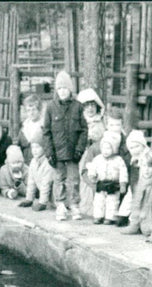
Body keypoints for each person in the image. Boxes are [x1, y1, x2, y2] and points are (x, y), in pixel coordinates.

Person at [42, 71, 87, 221]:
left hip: (73, 151)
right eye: (59, 88)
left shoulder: (78, 107)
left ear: (70, 90)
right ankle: (60, 204)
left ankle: (74, 205)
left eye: (65, 88)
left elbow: (83, 130)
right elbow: (46, 132)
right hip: (57, 152)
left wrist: (79, 149)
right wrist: (49, 153)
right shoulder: (50, 107)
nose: (62, 91)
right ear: (56, 90)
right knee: (59, 179)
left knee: (74, 180)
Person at [120, 149, 152, 240]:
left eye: (150, 166)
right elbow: (136, 203)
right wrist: (135, 220)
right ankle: (135, 225)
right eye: (144, 166)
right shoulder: (142, 180)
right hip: (142, 222)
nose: (146, 169)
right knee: (136, 201)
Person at [86, 132, 129, 225]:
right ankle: (98, 216)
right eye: (103, 148)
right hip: (101, 183)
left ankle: (110, 217)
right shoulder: (98, 159)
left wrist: (123, 184)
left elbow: (123, 172)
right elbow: (92, 167)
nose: (105, 151)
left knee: (112, 202)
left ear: (113, 149)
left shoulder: (118, 160)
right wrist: (92, 175)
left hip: (113, 185)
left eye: (108, 148)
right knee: (98, 201)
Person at [20, 140, 56, 211]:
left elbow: (46, 183)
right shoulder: (33, 161)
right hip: (46, 196)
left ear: (44, 147)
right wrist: (29, 199)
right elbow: (31, 181)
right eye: (32, 147)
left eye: (37, 147)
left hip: (54, 196)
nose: (34, 150)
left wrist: (42, 202)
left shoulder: (49, 162)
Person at [18, 92, 45, 163]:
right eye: (28, 110)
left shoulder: (44, 126)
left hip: (41, 162)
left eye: (33, 109)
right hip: (26, 162)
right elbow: (19, 146)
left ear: (39, 110)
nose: (31, 113)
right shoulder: (24, 128)